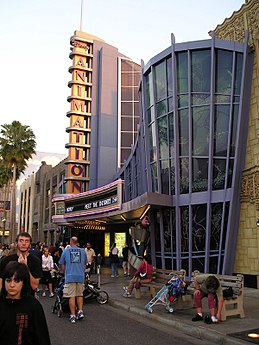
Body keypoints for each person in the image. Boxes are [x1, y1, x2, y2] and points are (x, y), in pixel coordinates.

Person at [0, 261, 51, 345]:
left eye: (17, 281)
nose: (12, 285)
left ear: (23, 282)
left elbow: (42, 337)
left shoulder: (33, 306)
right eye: (8, 280)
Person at [59, 236, 88, 323]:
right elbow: (85, 264)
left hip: (70, 276)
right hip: (80, 276)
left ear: (71, 242)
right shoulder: (83, 251)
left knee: (71, 296)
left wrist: (65, 272)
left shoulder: (66, 251)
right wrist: (81, 271)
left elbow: (62, 263)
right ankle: (80, 311)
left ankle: (73, 315)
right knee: (80, 295)